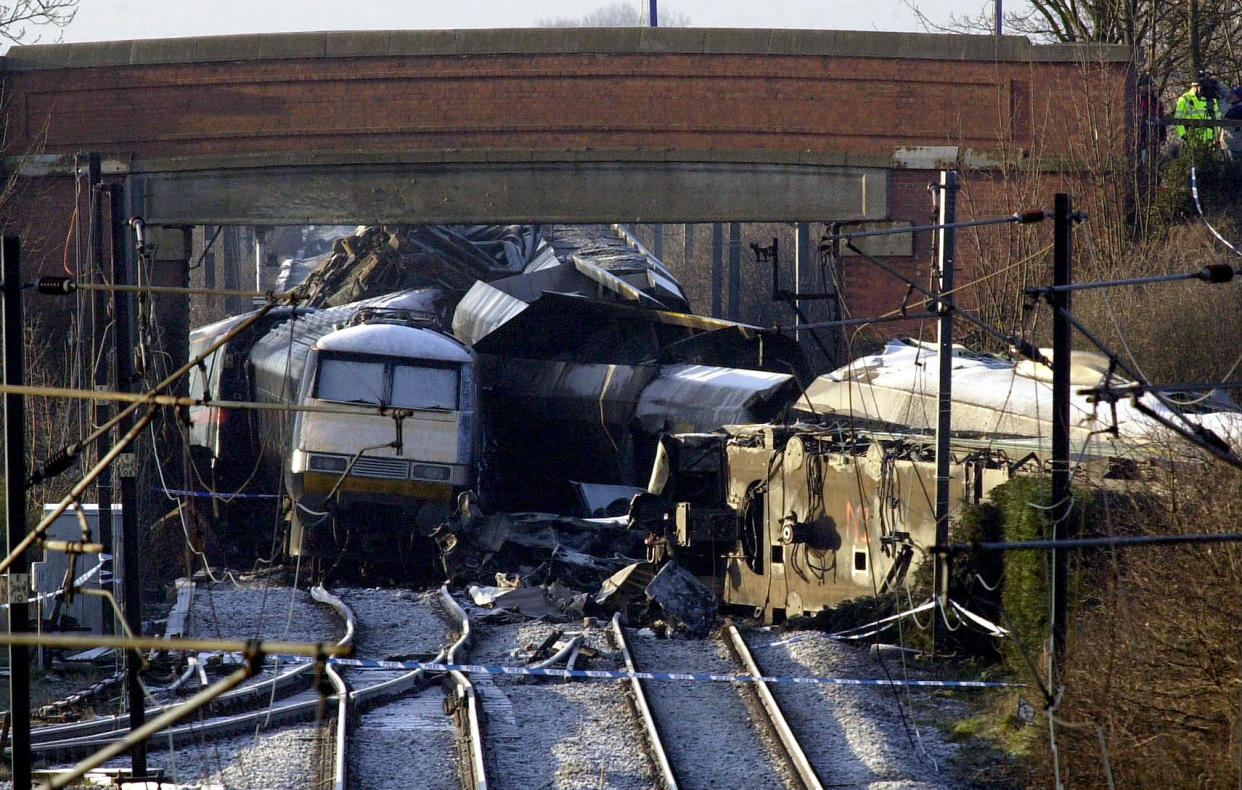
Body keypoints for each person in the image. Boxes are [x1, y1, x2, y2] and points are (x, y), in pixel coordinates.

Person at [1175, 78, 1216, 148]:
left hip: (1208, 141)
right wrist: (1184, 136)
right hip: (1191, 140)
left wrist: (1215, 138)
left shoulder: (1211, 100)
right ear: (1195, 86)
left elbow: (1217, 119)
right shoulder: (1185, 99)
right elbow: (1178, 120)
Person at [1220, 86, 1242, 160]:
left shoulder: (1239, 108)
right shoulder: (1232, 106)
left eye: (1234, 94)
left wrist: (1221, 100)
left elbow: (1227, 113)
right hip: (1230, 145)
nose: (1231, 96)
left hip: (1237, 146)